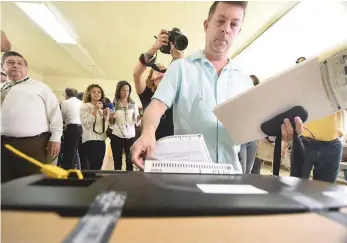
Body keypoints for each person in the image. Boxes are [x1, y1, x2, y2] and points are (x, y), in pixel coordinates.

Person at [131, 1, 304, 172]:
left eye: (234, 24)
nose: (226, 29)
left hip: (230, 177)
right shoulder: (181, 68)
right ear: (206, 25)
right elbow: (156, 106)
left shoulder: (244, 80)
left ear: (238, 32)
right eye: (220, 21)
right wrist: (147, 133)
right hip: (187, 176)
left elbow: (257, 128)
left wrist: (278, 134)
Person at [1, 51, 63, 182]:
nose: (15, 66)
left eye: (20, 64)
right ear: (3, 67)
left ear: (26, 68)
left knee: (32, 181)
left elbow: (55, 113)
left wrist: (56, 137)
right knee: (5, 181)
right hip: (3, 144)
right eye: (10, 63)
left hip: (32, 144)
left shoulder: (40, 87)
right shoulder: (2, 88)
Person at [290, 57, 344, 183]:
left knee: (324, 191)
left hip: (332, 145)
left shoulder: (335, 79)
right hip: (304, 142)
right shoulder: (300, 88)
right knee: (295, 187)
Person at [133, 29, 184, 140]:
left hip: (174, 142)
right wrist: (155, 47)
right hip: (152, 143)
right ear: (151, 77)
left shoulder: (175, 92)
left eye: (164, 69)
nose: (161, 70)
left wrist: (179, 59)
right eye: (157, 68)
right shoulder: (146, 92)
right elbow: (136, 74)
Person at [109, 81, 141, 171]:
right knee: (117, 161)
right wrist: (112, 117)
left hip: (130, 135)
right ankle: (117, 181)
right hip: (117, 135)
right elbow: (111, 123)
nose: (126, 92)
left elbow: (136, 121)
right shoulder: (114, 104)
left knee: (130, 161)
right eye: (123, 90)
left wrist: (139, 117)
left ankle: (129, 181)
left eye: (127, 90)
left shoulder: (133, 103)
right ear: (119, 91)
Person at [80, 84, 110, 170]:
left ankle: (96, 182)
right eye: (93, 92)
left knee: (98, 166)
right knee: (91, 167)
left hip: (101, 140)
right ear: (89, 94)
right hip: (90, 140)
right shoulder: (85, 106)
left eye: (99, 92)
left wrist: (106, 117)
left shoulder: (101, 108)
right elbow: (87, 123)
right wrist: (95, 110)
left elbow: (103, 128)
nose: (96, 94)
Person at [60, 88, 83, 169]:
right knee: (78, 152)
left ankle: (68, 171)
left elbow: (61, 116)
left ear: (66, 94)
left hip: (72, 128)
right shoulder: (81, 102)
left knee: (69, 152)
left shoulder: (65, 102)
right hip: (81, 128)